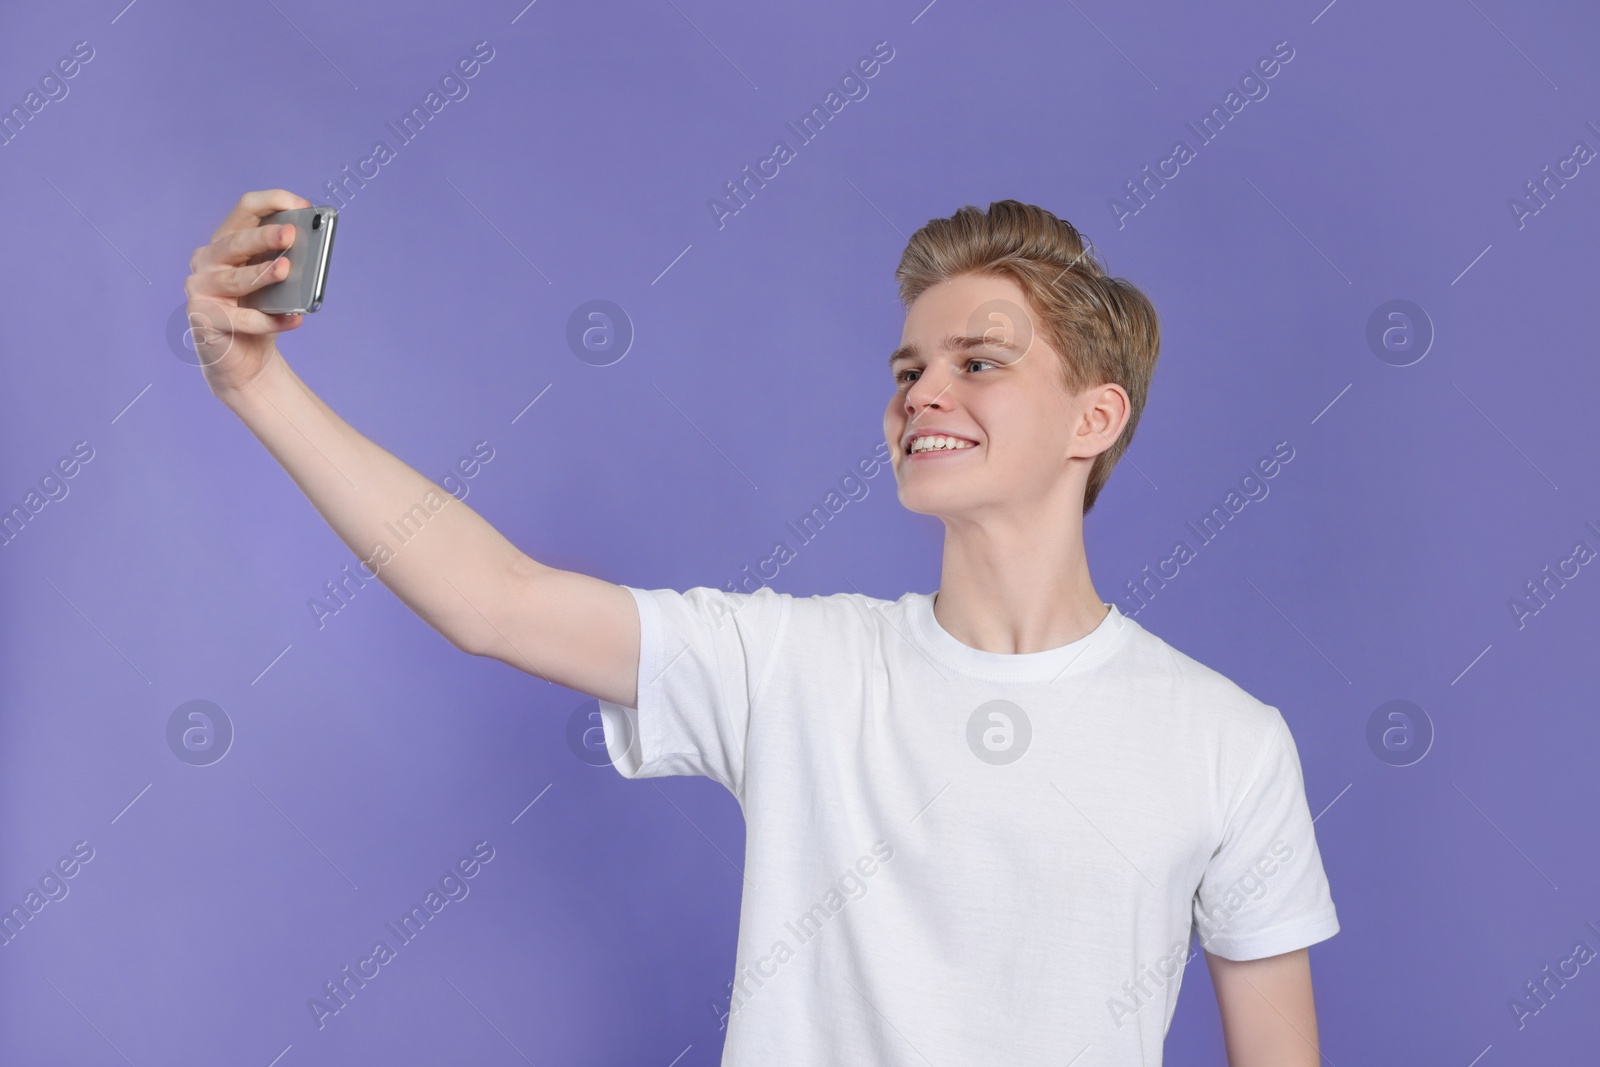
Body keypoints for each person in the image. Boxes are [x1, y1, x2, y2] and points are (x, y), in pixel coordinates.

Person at [187, 190, 1338, 1065]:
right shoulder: (793, 664)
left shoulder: (1226, 741)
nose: (921, 394)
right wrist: (257, 388)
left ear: (1094, 416)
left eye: (978, 362)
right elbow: (492, 599)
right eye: (907, 367)